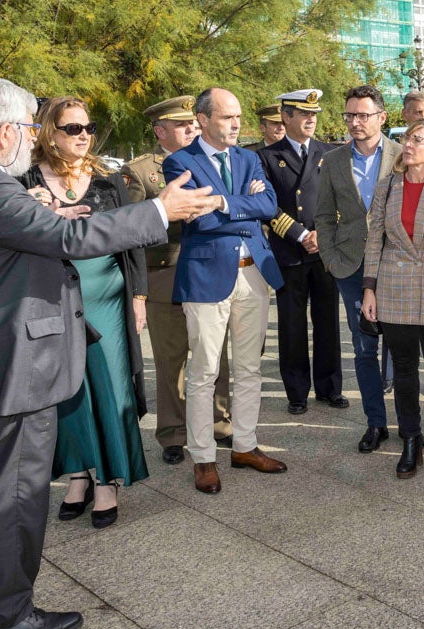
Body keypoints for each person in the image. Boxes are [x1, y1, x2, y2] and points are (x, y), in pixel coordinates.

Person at [0, 77, 216, 629]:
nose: (31, 137)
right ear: (5, 131)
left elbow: (16, 239)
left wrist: (48, 216)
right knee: (16, 496)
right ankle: (8, 618)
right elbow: (69, 238)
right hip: (9, 364)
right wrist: (160, 209)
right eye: (29, 126)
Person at [20, 98, 151, 529]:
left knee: (111, 387)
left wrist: (139, 298)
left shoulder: (109, 181)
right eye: (72, 127)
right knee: (68, 390)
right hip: (54, 301)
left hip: (108, 299)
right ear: (48, 132)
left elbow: (131, 241)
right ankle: (78, 473)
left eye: (88, 127)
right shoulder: (25, 181)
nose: (83, 135)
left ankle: (109, 481)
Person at [165, 88, 287, 495]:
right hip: (206, 278)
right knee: (204, 373)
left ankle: (245, 446)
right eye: (226, 117)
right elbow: (196, 221)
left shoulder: (250, 158)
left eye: (238, 117)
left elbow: (269, 206)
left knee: (250, 368)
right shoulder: (180, 162)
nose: (236, 124)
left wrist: (219, 201)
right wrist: (240, 206)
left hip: (253, 274)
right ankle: (203, 457)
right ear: (202, 119)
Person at [122, 96, 233, 466]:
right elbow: (132, 232)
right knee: (172, 360)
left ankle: (218, 422)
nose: (191, 129)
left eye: (193, 123)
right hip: (165, 273)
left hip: (208, 271)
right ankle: (173, 432)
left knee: (213, 352)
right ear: (160, 131)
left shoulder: (209, 160)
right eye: (182, 125)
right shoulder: (140, 172)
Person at [360, 119, 424, 477]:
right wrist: (369, 288)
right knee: (403, 371)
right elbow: (374, 239)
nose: (407, 145)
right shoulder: (387, 185)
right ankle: (411, 438)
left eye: (417, 140)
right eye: (406, 139)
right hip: (394, 288)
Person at [315, 86, 401, 452]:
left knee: (402, 346)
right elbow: (322, 215)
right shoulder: (333, 161)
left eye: (363, 115)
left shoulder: (401, 155)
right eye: (349, 115)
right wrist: (333, 262)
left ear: (382, 117)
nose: (355, 122)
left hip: (397, 265)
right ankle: (375, 423)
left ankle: (409, 423)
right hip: (350, 266)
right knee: (364, 347)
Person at [257, 89, 345, 415]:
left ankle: (329, 388)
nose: (311, 119)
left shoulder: (332, 152)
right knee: (292, 326)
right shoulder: (265, 157)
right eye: (304, 114)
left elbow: (343, 198)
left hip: (324, 251)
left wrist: (325, 232)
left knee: (328, 322)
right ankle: (297, 392)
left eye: (314, 114)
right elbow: (267, 206)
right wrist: (301, 234)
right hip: (289, 253)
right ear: (286, 116)